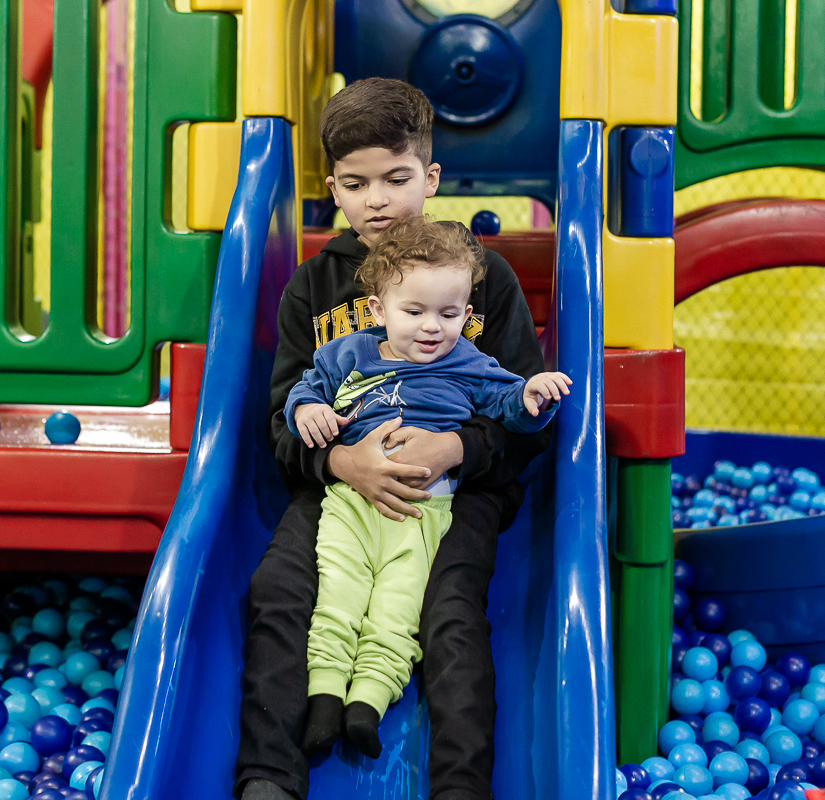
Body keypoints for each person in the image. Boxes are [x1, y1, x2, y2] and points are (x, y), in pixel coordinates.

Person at [235, 77, 553, 800]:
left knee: (449, 615)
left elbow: (525, 419)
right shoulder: (313, 289)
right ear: (332, 189)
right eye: (357, 183)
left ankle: (458, 787)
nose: (377, 199)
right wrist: (341, 460)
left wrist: (457, 451)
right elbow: (283, 417)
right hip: (340, 489)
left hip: (455, 493)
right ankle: (268, 776)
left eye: (396, 178)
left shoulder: (482, 278)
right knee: (278, 592)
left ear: (430, 177)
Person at [285, 216, 570, 760]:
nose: (431, 327)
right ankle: (324, 695)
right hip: (350, 500)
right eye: (413, 312)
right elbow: (304, 391)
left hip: (424, 508)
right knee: (339, 592)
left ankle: (367, 701)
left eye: (448, 313)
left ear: (467, 313)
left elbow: (512, 408)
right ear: (378, 311)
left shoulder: (471, 364)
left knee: (399, 606)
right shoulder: (346, 354)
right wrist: (312, 410)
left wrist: (535, 394)